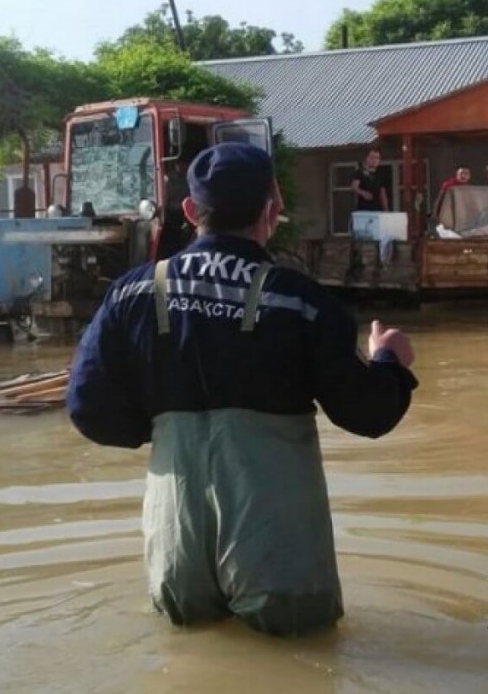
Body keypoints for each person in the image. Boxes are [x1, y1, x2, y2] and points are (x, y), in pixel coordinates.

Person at [66, 142, 418, 637]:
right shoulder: (299, 302)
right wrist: (390, 360)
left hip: (177, 537)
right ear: (272, 210)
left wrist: (168, 429)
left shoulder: (131, 293)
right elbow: (367, 413)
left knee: (189, 656)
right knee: (302, 660)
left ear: (191, 211)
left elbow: (88, 408)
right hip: (277, 547)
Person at [350, 148, 389, 212]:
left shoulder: (380, 174)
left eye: (377, 158)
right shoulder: (360, 172)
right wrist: (363, 193)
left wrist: (386, 209)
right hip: (363, 209)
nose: (374, 160)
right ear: (366, 158)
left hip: (377, 209)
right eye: (372, 157)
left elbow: (382, 192)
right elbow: (354, 187)